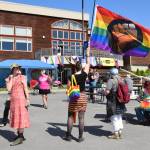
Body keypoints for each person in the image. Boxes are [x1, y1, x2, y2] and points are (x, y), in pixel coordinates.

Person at [64, 48, 90, 142]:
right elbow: (88, 64)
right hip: (83, 96)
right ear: (81, 68)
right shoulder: (84, 74)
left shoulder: (71, 76)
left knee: (70, 116)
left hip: (74, 97)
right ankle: (80, 137)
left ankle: (69, 136)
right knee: (81, 118)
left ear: (75, 68)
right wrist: (87, 54)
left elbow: (68, 88)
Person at [5, 64, 30, 146]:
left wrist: (28, 99)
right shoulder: (11, 78)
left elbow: (26, 88)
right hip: (14, 101)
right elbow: (9, 90)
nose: (18, 70)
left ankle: (20, 137)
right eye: (16, 69)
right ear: (12, 70)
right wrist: (8, 81)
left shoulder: (22, 77)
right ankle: (21, 136)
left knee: (21, 117)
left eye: (18, 69)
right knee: (16, 117)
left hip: (21, 100)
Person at [105, 68, 126, 139]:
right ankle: (120, 132)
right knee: (119, 115)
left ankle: (116, 134)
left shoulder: (111, 80)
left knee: (113, 116)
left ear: (111, 73)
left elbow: (107, 91)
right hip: (120, 99)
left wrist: (103, 92)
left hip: (113, 99)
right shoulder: (121, 79)